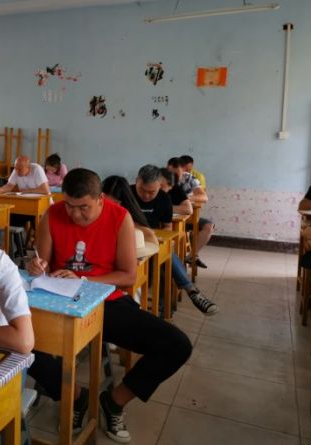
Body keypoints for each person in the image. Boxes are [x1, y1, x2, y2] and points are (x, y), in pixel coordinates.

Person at [27, 168, 192, 441]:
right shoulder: (52, 214)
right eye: (69, 205)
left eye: (83, 207)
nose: (74, 214)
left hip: (106, 301)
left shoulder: (119, 217)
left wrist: (83, 279)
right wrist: (37, 266)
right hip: (59, 301)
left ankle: (114, 401)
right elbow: (42, 265)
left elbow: (127, 276)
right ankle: (75, 397)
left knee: (177, 345)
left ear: (100, 199)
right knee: (19, 342)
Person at [106, 173, 217, 316]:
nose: (146, 195)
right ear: (137, 183)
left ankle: (170, 303)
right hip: (133, 247)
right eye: (143, 190)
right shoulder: (124, 196)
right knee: (163, 259)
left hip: (147, 241)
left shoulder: (162, 198)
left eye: (151, 192)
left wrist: (155, 235)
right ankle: (189, 290)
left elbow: (168, 225)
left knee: (164, 257)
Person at [166, 158, 214, 268]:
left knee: (208, 226)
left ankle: (192, 256)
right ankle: (170, 264)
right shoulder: (162, 178)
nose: (173, 177)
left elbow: (204, 197)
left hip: (186, 216)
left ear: (183, 170)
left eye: (177, 174)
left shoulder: (189, 178)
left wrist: (185, 199)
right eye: (170, 173)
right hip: (165, 218)